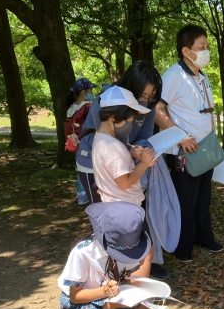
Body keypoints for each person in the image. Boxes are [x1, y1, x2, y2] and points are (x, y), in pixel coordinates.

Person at [76, 61, 170, 281]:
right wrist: (138, 158)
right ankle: (111, 269)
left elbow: (141, 136)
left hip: (123, 163)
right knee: (109, 223)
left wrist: (139, 149)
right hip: (98, 165)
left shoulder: (119, 139)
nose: (146, 102)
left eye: (151, 96)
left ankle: (134, 263)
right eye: (142, 95)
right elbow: (109, 140)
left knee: (129, 222)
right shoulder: (109, 104)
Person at [154, 24, 223, 263]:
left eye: (207, 46)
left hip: (205, 149)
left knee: (203, 197)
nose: (206, 51)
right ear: (186, 50)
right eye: (201, 47)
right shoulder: (173, 75)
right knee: (184, 199)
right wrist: (180, 137)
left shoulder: (202, 76)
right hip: (185, 151)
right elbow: (156, 109)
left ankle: (204, 237)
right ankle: (182, 247)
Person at [92, 86, 154, 204]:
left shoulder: (101, 139)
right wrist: (144, 163)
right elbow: (124, 183)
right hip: (124, 208)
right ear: (114, 117)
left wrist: (131, 154)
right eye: (130, 121)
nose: (130, 126)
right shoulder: (111, 146)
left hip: (116, 204)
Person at [66, 78, 97, 206]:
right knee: (88, 168)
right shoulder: (88, 107)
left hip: (74, 142)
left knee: (80, 167)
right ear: (84, 91)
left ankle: (81, 194)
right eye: (90, 90)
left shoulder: (71, 108)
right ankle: (87, 194)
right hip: (86, 142)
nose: (92, 92)